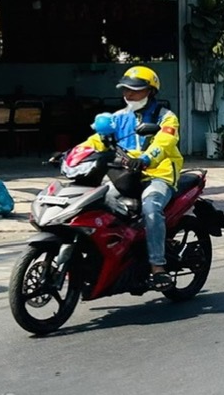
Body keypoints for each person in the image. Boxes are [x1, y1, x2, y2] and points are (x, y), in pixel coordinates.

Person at [77, 65, 182, 290]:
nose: (129, 94)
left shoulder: (166, 118)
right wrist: (72, 154)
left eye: (135, 90)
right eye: (125, 89)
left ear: (151, 91)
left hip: (157, 174)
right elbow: (97, 140)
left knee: (151, 209)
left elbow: (164, 143)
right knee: (93, 204)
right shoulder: (117, 118)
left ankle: (158, 267)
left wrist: (145, 159)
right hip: (124, 175)